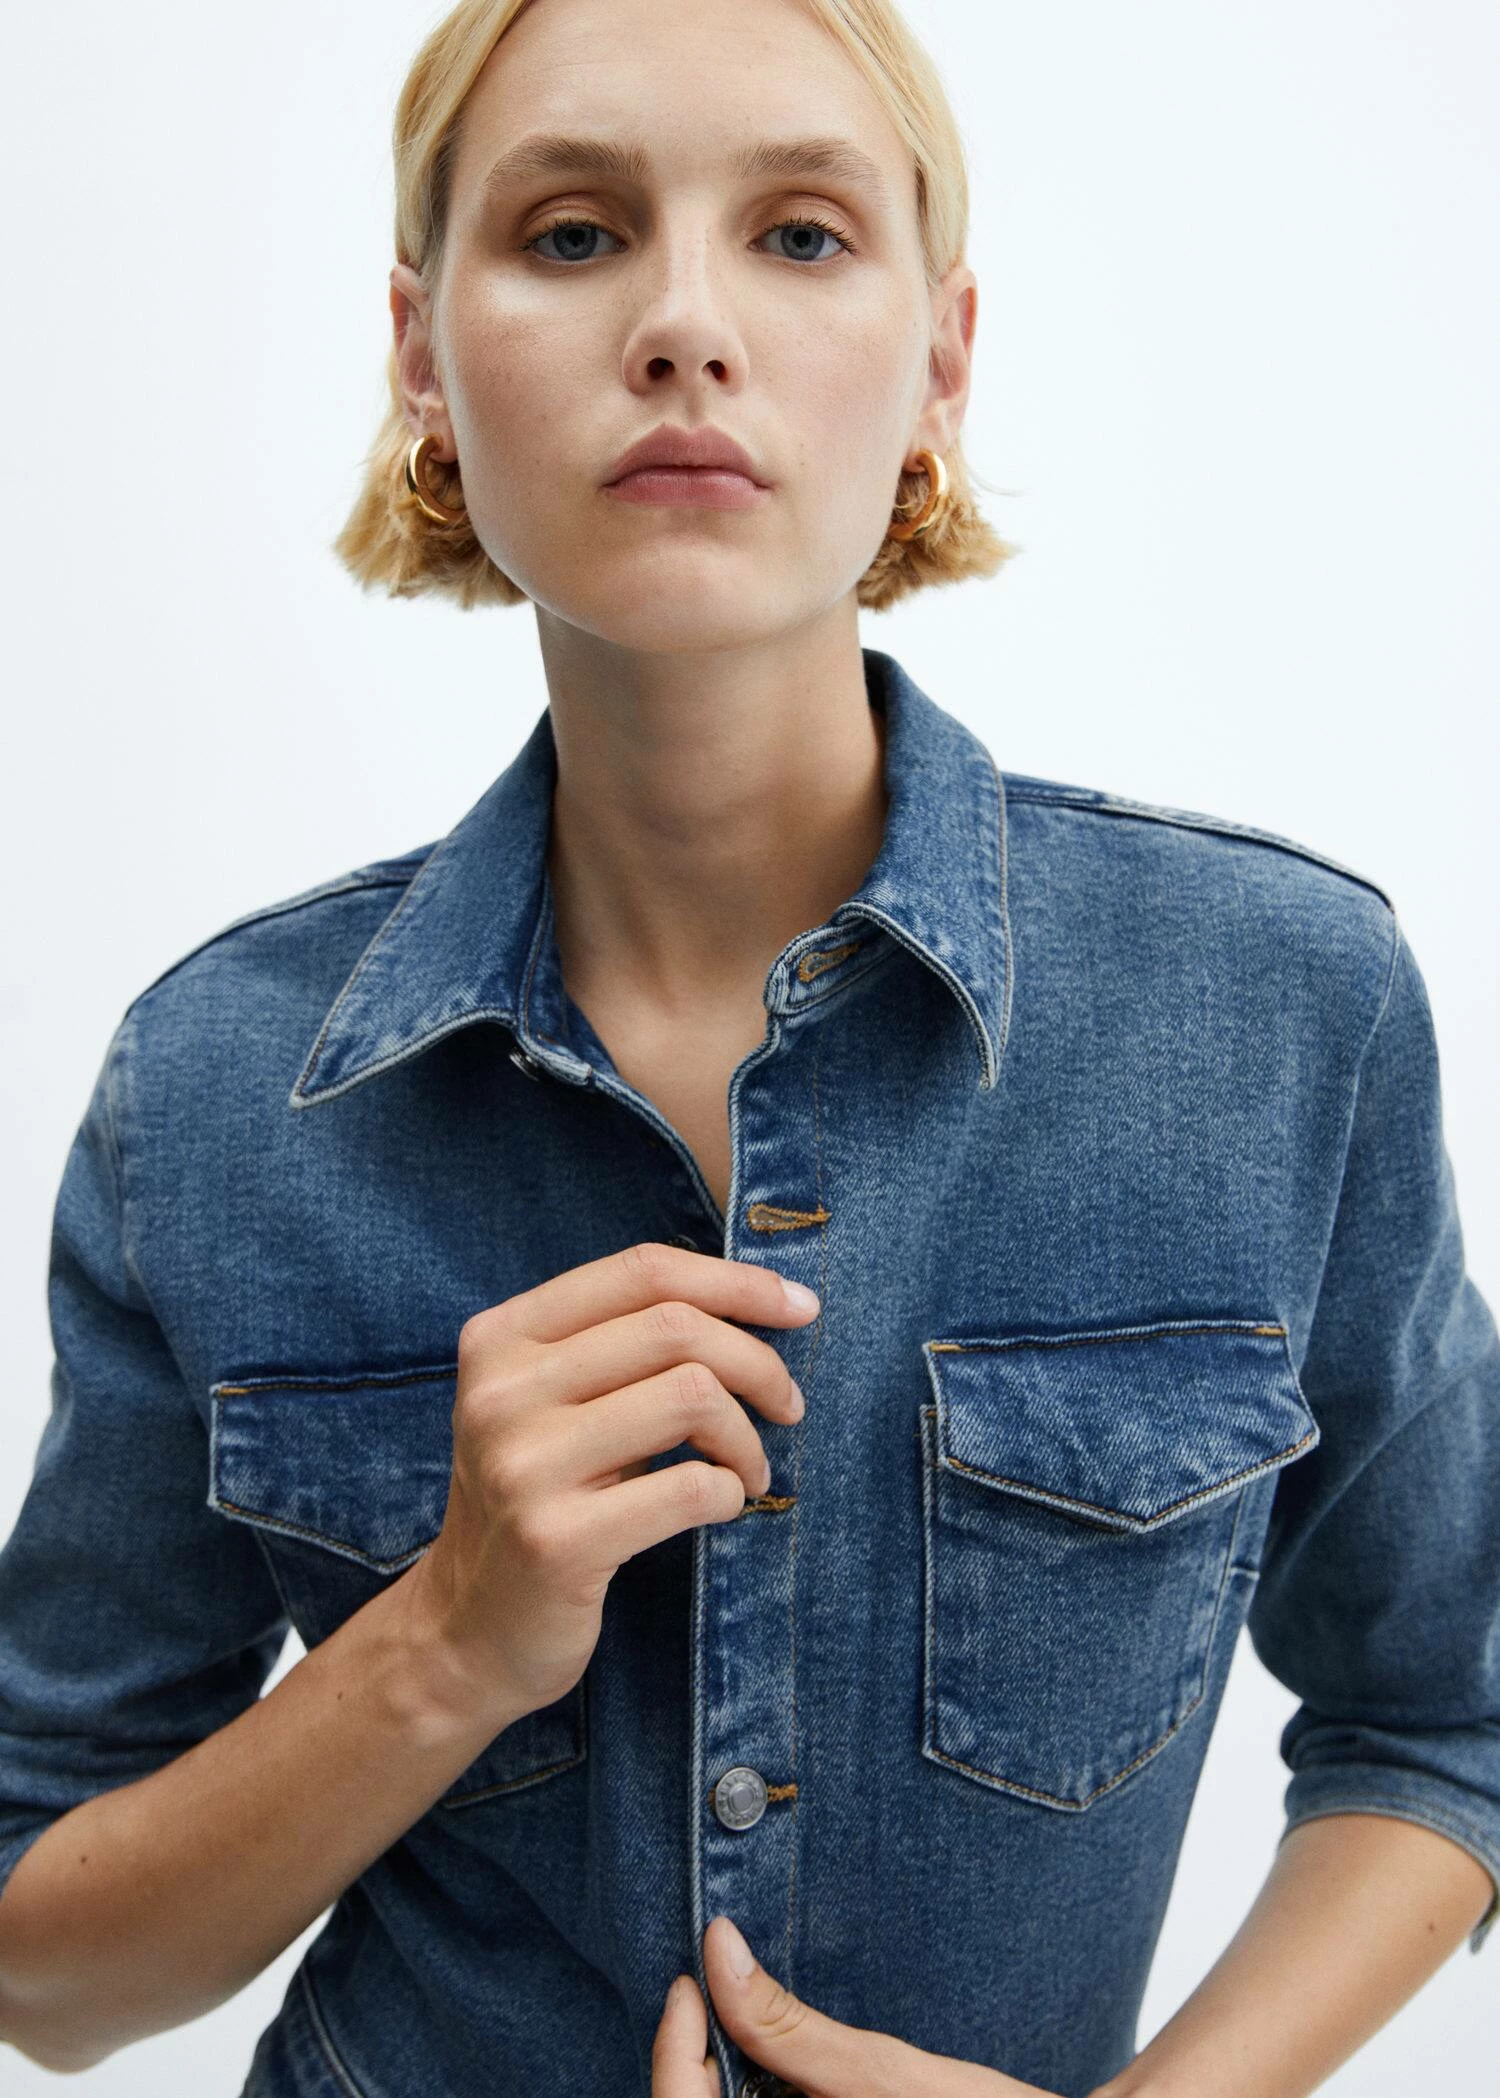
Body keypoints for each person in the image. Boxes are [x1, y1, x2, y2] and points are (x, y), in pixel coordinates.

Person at [0, 0, 1496, 2094]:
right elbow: (42, 1968)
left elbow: (1447, 1718)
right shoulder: (214, 1091)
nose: (685, 326)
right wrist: (442, 1638)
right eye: (574, 232)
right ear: (424, 358)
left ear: (941, 362)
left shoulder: (1283, 1004)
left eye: (800, 234)